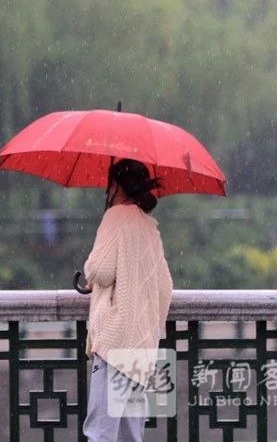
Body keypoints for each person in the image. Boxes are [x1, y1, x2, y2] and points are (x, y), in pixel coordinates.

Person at [81, 159, 173, 441]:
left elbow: (101, 270)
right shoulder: (149, 226)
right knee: (131, 434)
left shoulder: (116, 217)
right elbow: (166, 284)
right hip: (141, 346)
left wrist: (89, 268)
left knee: (101, 432)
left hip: (114, 343)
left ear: (115, 186)